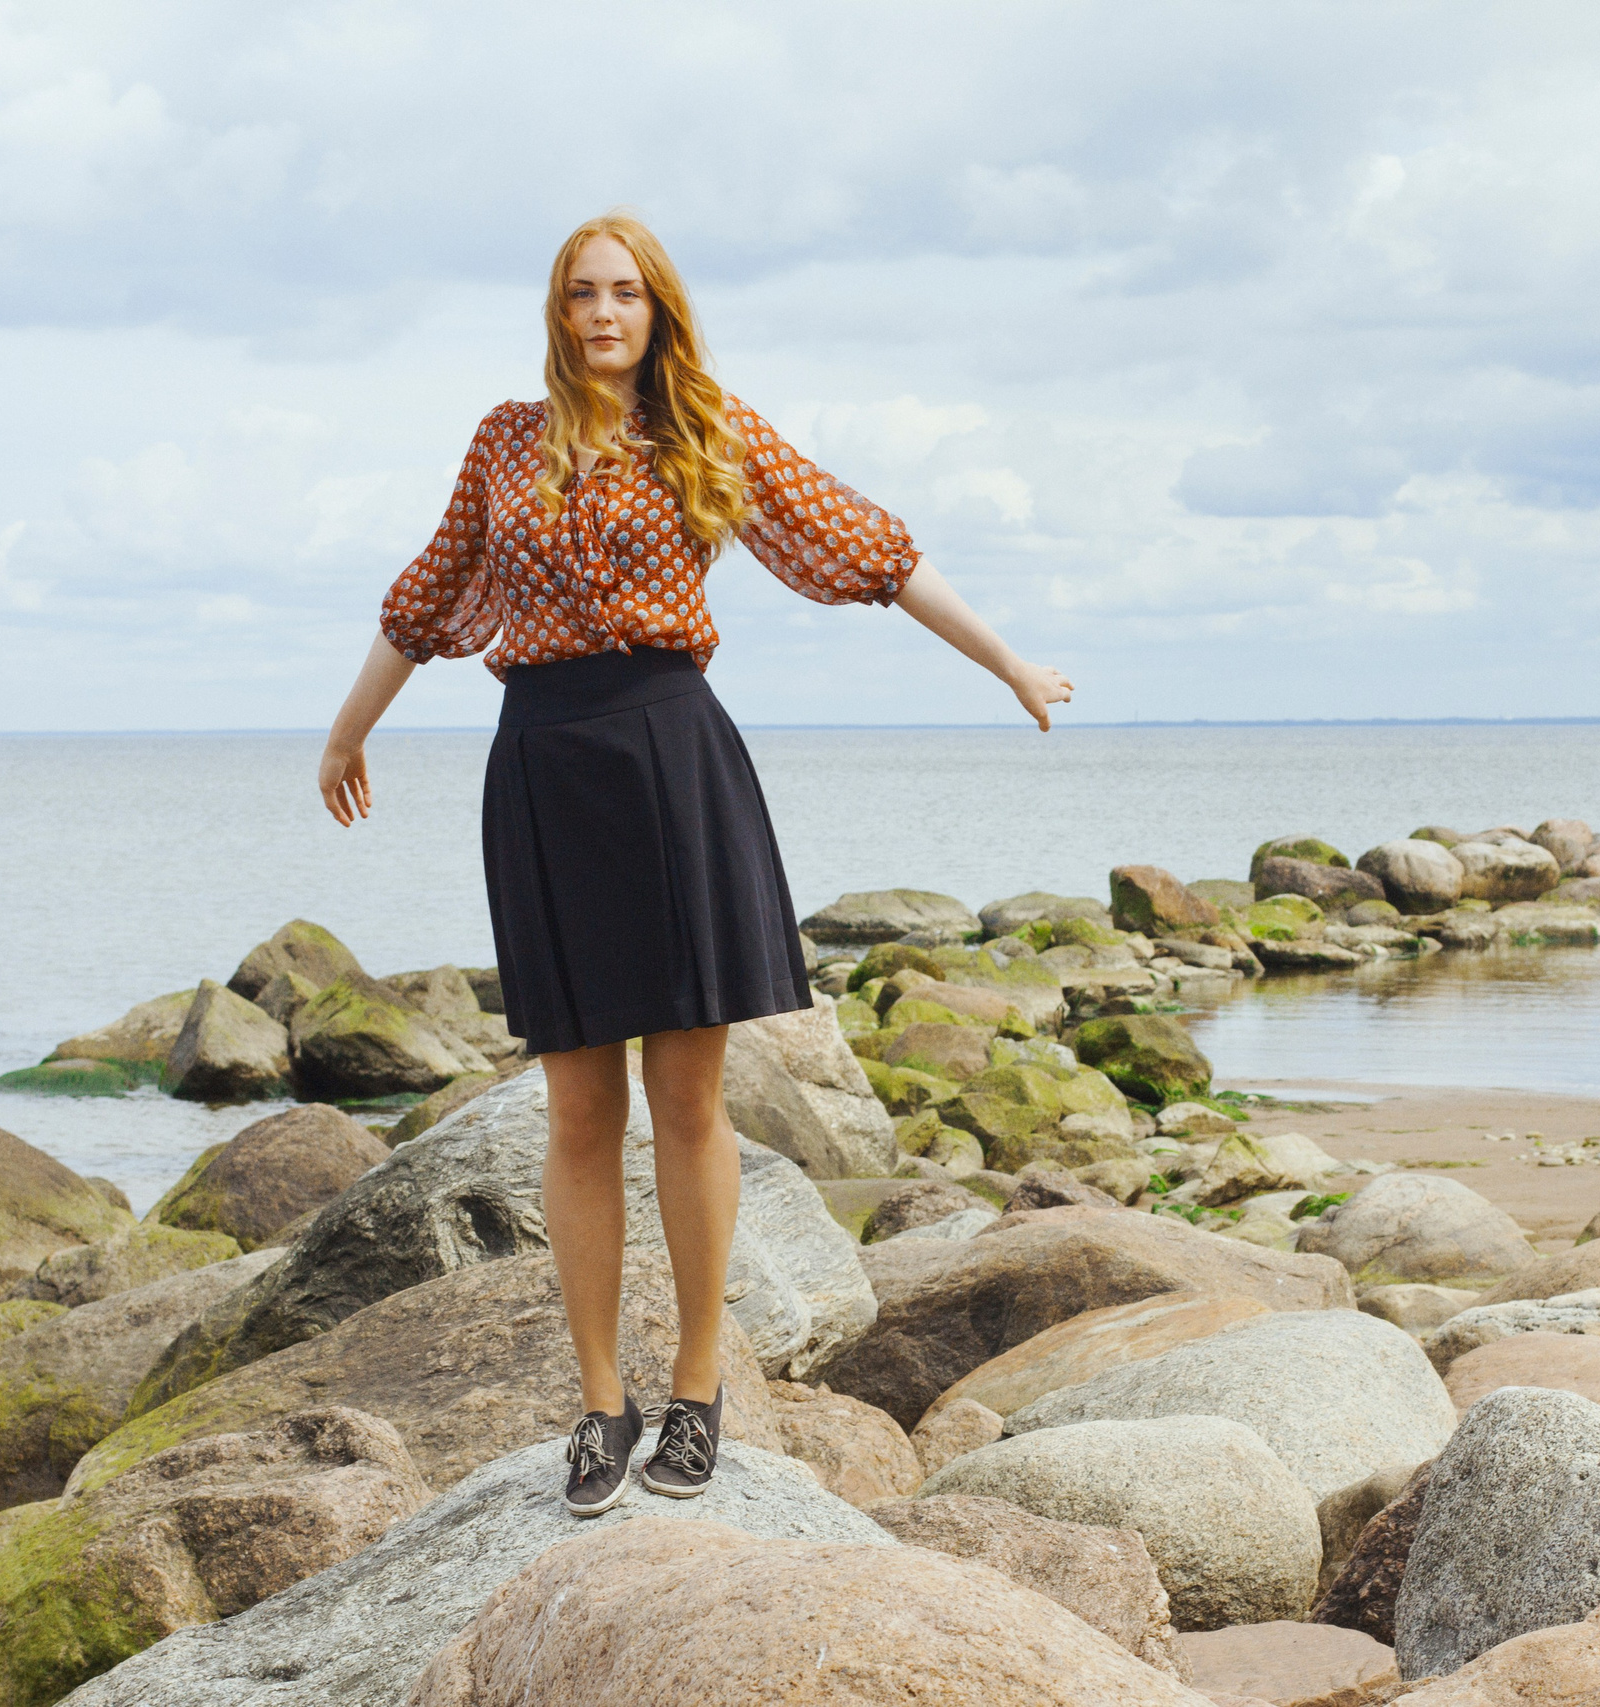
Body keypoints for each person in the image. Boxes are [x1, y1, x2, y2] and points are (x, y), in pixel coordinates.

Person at [316, 212, 1072, 1514]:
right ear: (557, 314)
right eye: (579, 295)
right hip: (545, 768)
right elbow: (426, 595)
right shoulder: (506, 440)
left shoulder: (705, 426)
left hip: (671, 759)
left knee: (686, 1104)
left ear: (657, 310)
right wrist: (347, 728)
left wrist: (1004, 659)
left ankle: (699, 1392)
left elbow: (864, 545)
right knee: (576, 1112)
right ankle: (601, 1406)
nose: (601, 314)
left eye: (624, 294)